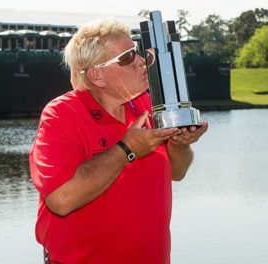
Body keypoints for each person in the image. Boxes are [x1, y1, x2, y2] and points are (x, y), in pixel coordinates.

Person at [29, 18, 208, 264]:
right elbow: (61, 199)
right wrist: (128, 149)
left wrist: (180, 144)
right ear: (97, 76)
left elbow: (177, 172)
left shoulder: (146, 104)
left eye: (136, 51)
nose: (141, 61)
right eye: (127, 57)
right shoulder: (62, 114)